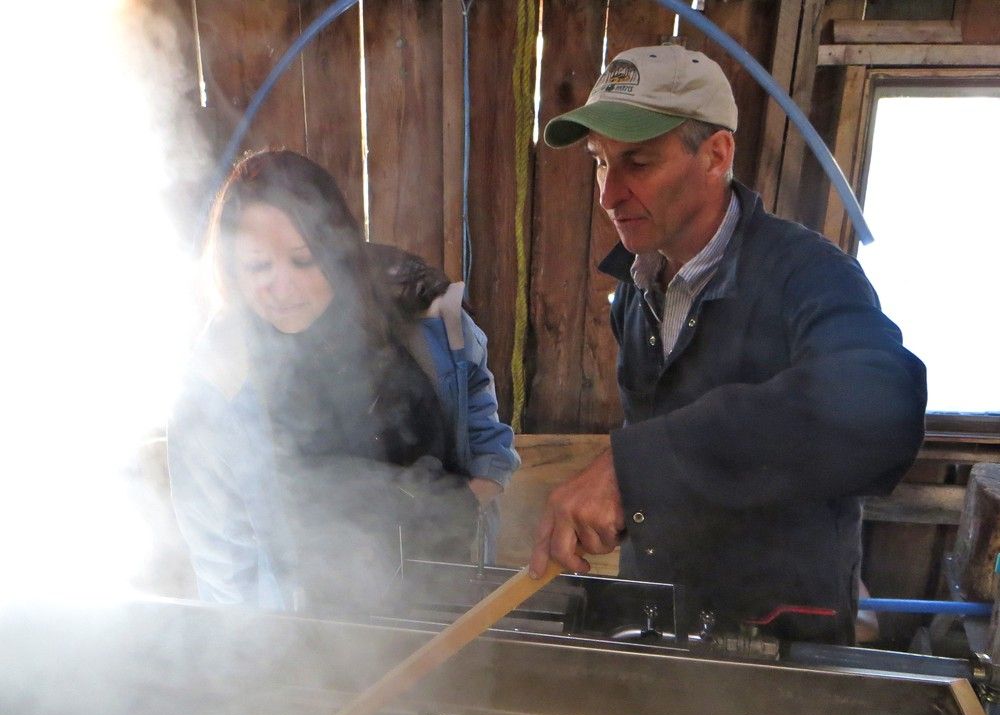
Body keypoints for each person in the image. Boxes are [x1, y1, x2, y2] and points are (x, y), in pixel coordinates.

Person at [530, 45, 927, 644]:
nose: (609, 194)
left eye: (637, 162)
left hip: (779, 640)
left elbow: (881, 409)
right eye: (600, 163)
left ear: (716, 155)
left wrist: (638, 467)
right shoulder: (639, 287)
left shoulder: (808, 274)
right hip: (666, 620)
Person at [168, 149, 486, 617]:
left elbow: (475, 448)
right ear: (232, 272)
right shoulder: (218, 392)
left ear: (338, 252)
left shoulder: (412, 325)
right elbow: (226, 576)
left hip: (438, 615)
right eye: (258, 267)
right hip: (302, 643)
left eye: (303, 260)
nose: (283, 286)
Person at [368, 243, 520, 563]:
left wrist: (463, 505)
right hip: (363, 549)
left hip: (453, 537)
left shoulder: (447, 329)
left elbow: (488, 438)